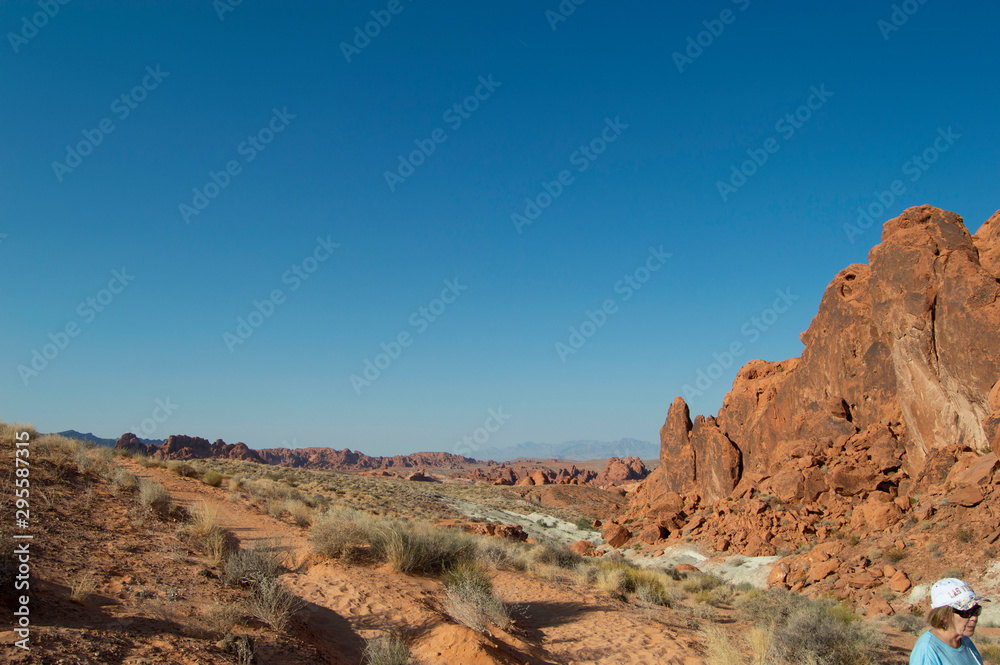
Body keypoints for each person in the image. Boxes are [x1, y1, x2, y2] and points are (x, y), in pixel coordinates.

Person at [909, 578, 988, 665]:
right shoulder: (928, 650)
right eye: (966, 612)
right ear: (943, 616)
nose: (974, 618)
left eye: (976, 610)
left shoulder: (965, 642)